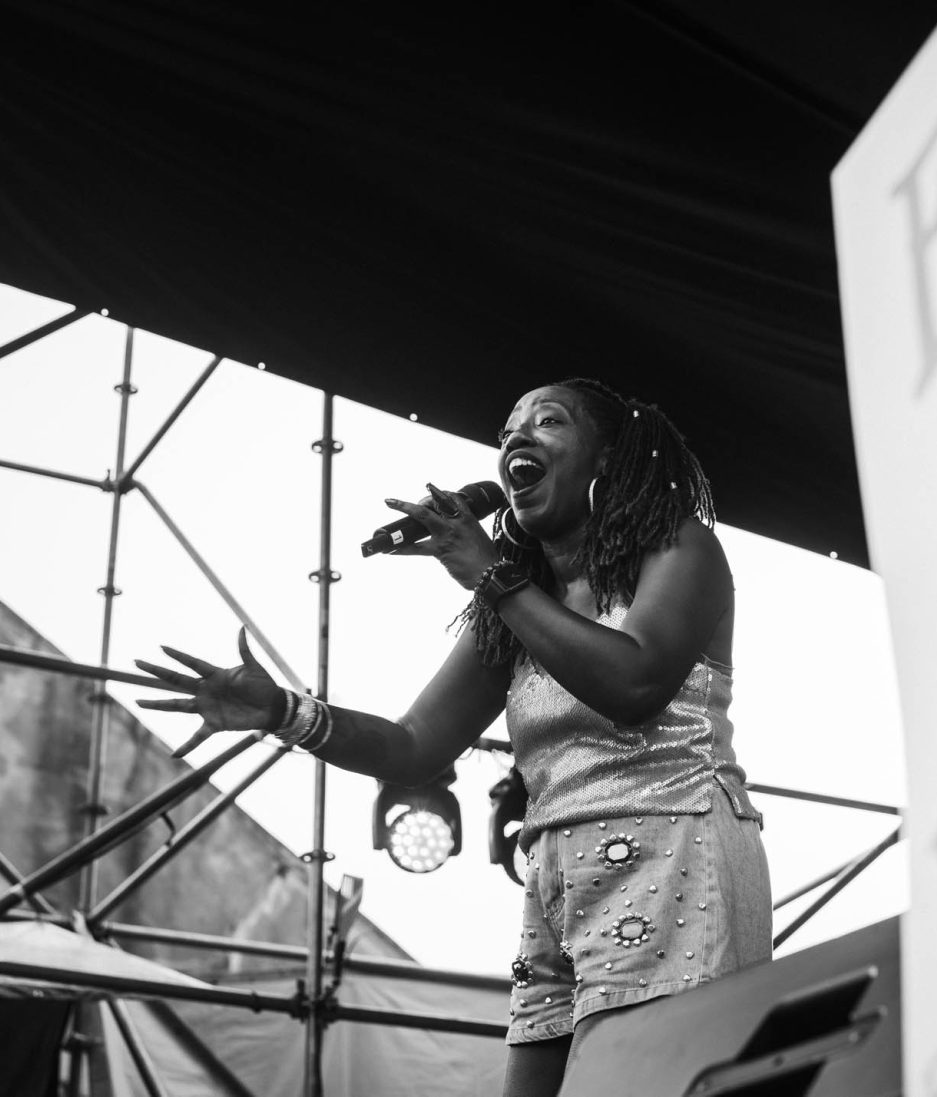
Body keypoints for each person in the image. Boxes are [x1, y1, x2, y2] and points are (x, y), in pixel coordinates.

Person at [135, 378, 771, 1096]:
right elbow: (414, 745)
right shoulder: (516, 603)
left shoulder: (680, 545)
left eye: (547, 422)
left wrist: (491, 577)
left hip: (676, 847)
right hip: (557, 880)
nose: (516, 441)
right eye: (505, 435)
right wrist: (285, 711)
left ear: (607, 458)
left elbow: (634, 684)